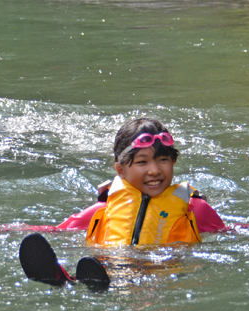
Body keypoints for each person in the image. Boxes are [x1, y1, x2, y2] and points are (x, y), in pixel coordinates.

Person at [18, 117, 226, 289]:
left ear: (173, 162)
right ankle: (68, 279)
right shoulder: (104, 211)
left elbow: (231, 233)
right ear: (120, 171)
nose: (154, 170)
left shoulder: (194, 210)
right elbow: (59, 231)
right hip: (113, 268)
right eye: (142, 162)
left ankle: (89, 283)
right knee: (102, 263)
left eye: (163, 160)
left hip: (166, 276)